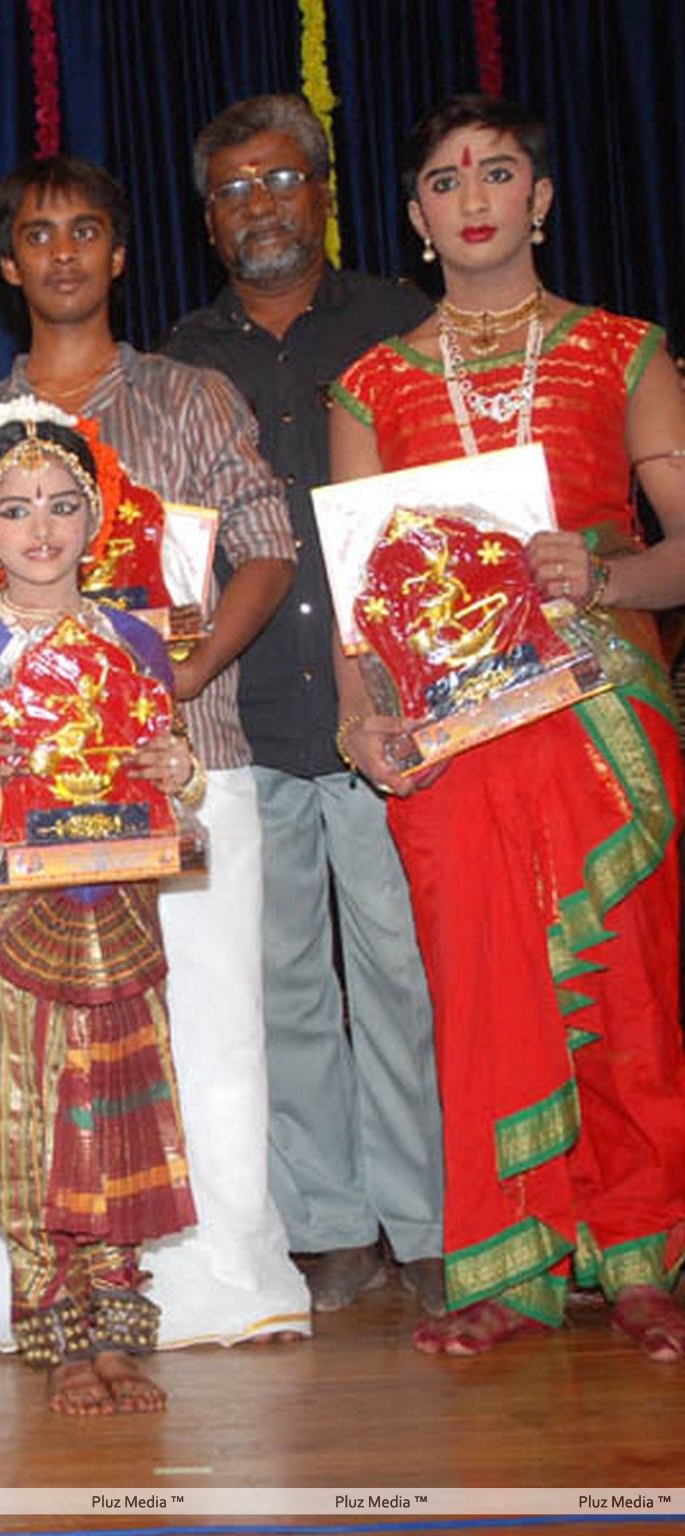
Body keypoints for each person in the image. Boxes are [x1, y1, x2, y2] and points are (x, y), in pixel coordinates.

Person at [330, 94, 685, 1362]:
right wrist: (357, 719)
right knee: (481, 986)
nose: (470, 194)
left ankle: (643, 1258)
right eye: (440, 179)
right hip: (450, 722)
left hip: (601, 711)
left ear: (538, 196)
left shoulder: (623, 351)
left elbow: (680, 548)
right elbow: (360, 595)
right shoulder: (371, 384)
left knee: (627, 982)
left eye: (496, 170)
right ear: (416, 219)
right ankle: (505, 1269)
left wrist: (599, 578)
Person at [0, 155, 312, 1348]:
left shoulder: (191, 395)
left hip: (188, 752)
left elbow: (267, 544)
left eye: (85, 231)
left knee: (216, 1018)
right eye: (37, 234)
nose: (62, 253)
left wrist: (182, 673)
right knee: (64, 1039)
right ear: (7, 264)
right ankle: (70, 1289)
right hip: (37, 795)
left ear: (118, 254)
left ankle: (232, 1281)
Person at [162, 94, 445, 1315]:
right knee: (277, 990)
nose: (257, 206)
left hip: (396, 714)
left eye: (279, 181)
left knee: (404, 975)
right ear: (206, 220)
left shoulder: (403, 326)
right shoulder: (175, 360)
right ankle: (325, 1224)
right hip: (248, 719)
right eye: (230, 191)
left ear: (324, 192)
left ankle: (427, 1222)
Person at [0, 398, 203, 1415]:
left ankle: (117, 1317)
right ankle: (48, 1326)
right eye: (11, 510)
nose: (38, 530)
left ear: (95, 516)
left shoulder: (135, 637)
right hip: (2, 910)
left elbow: (164, 773)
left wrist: (181, 769)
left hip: (113, 902)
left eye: (58, 505)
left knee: (112, 1107)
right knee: (19, 1113)